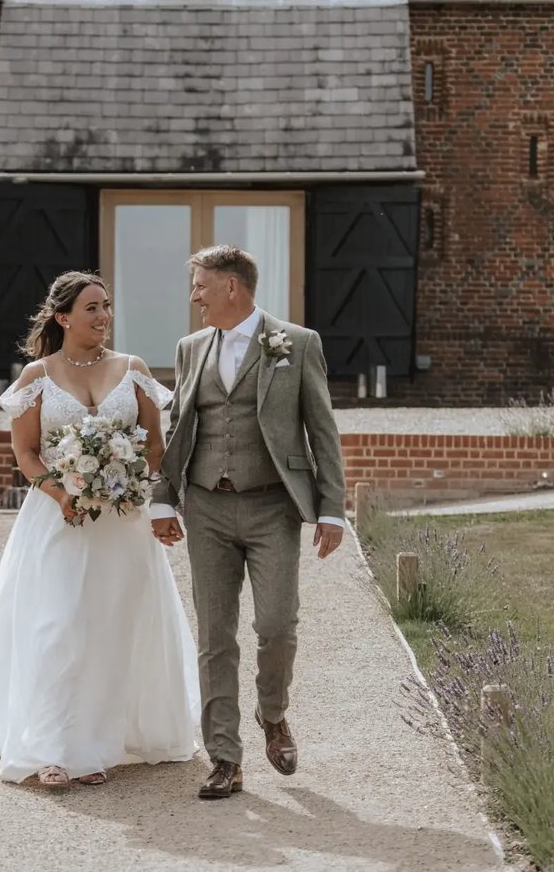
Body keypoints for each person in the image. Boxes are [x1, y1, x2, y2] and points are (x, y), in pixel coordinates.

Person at [0, 271, 199, 788]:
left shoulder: (133, 369)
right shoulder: (37, 376)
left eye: (106, 307)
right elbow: (26, 453)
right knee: (56, 626)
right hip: (58, 520)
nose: (103, 317)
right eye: (92, 308)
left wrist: (145, 495)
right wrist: (62, 494)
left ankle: (95, 743)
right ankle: (50, 748)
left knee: (112, 628)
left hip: (122, 523)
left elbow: (155, 448)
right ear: (63, 317)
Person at [150, 244, 347, 800]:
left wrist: (331, 508)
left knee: (278, 626)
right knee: (215, 637)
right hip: (207, 505)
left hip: (272, 507)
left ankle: (273, 714)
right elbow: (180, 427)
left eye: (200, 287)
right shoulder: (191, 349)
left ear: (231, 287)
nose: (193, 298)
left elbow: (322, 431)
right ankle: (225, 758)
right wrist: (163, 498)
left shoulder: (298, 344)